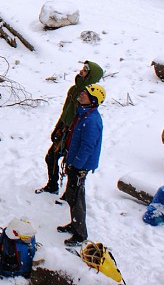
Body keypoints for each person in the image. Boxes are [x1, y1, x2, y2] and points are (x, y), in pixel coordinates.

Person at [36, 60, 104, 195]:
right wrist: (58, 127)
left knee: (71, 163)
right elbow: (66, 110)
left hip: (75, 134)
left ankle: (69, 194)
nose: (81, 71)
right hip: (65, 130)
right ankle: (53, 185)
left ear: (91, 75)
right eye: (82, 69)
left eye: (85, 70)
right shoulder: (74, 90)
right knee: (51, 157)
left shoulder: (90, 95)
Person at [57, 83, 105, 246]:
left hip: (80, 165)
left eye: (85, 93)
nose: (81, 94)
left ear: (93, 99)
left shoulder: (91, 120)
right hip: (76, 162)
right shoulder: (83, 114)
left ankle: (80, 234)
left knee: (76, 196)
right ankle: (75, 224)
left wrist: (76, 165)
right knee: (72, 194)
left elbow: (87, 146)